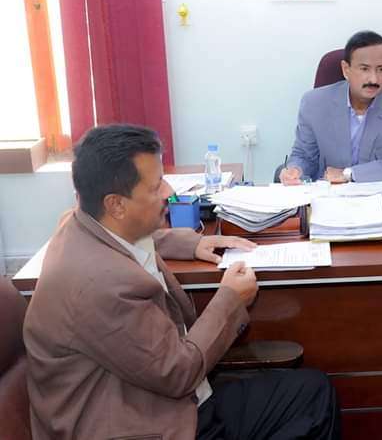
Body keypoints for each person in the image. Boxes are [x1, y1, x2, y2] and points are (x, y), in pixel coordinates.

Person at [24, 124, 340, 440]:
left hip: (148, 395)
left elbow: (129, 238)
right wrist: (230, 298)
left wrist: (192, 243)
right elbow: (178, 374)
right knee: (314, 402)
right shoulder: (100, 286)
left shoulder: (82, 223)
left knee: (312, 392)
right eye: (155, 187)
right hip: (142, 423)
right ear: (116, 204)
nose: (168, 193)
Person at [280, 30, 382, 185]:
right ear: (346, 69)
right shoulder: (314, 104)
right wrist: (296, 170)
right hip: (328, 194)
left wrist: (349, 174)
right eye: (364, 69)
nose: (374, 79)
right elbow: (304, 156)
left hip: (380, 196)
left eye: (381, 69)